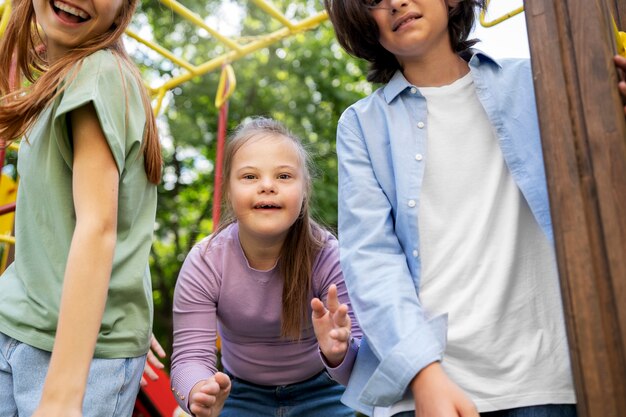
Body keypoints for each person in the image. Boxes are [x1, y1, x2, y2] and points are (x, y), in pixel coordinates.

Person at [322, 0, 626, 416]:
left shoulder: (538, 83)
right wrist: (423, 373)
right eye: (374, 0)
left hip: (544, 376)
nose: (395, 2)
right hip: (429, 385)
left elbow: (599, 185)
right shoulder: (362, 125)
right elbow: (371, 259)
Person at [0, 1, 163, 416]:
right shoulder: (63, 79)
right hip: (16, 323)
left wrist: (63, 396)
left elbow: (99, 227)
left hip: (73, 360)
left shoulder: (98, 73)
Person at [170, 117, 362, 417]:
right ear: (229, 191)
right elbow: (189, 358)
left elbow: (358, 369)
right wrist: (199, 391)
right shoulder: (206, 261)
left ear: (304, 189)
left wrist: (339, 353)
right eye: (249, 177)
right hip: (238, 395)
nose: (268, 186)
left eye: (284, 176)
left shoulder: (328, 256)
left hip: (324, 392)